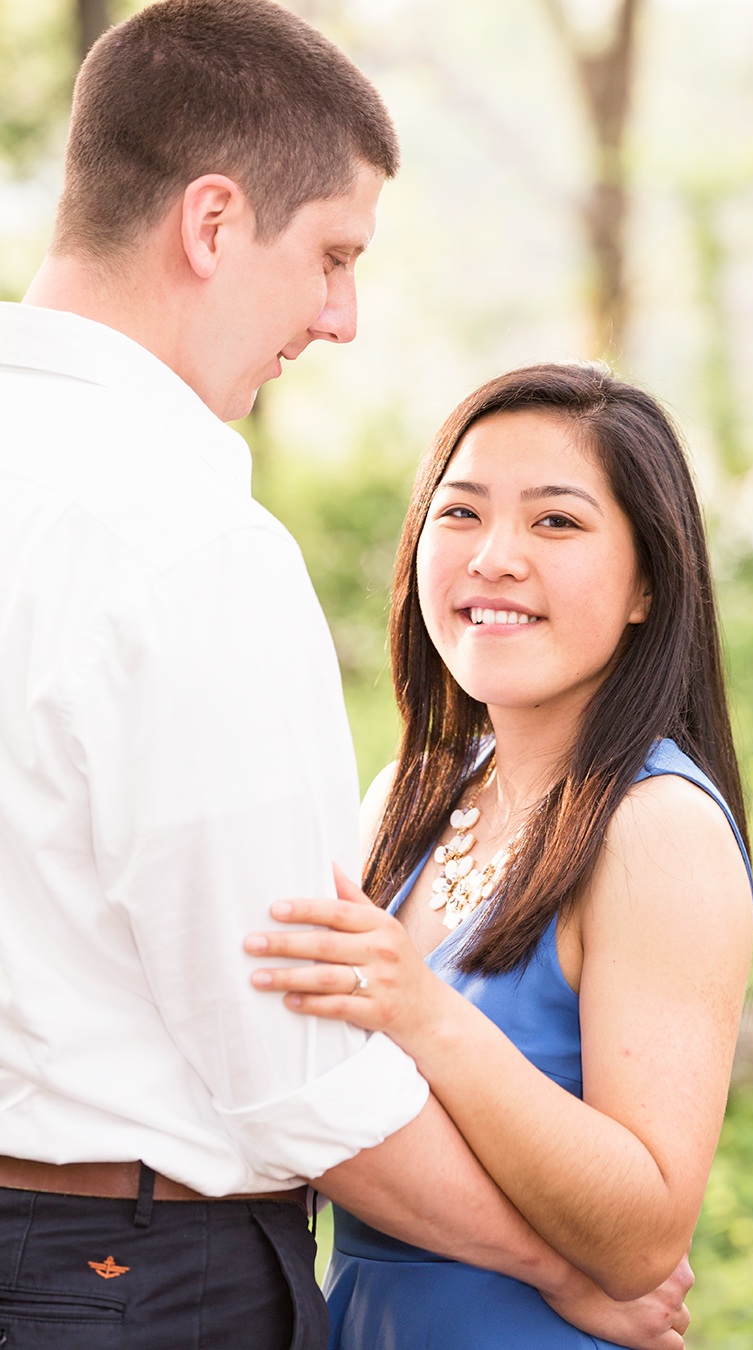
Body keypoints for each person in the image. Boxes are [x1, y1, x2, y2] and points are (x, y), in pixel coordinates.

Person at [0, 5, 689, 1346]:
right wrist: (552, 1263)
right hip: (131, 1280)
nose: (341, 317)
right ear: (211, 223)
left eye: (558, 518)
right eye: (330, 256)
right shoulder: (193, 547)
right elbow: (289, 1074)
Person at [246, 363, 753, 1349]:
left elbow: (648, 1230)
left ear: (650, 581)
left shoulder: (656, 829)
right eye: (462, 514)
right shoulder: (405, 798)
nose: (494, 559)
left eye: (556, 523)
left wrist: (423, 1010)